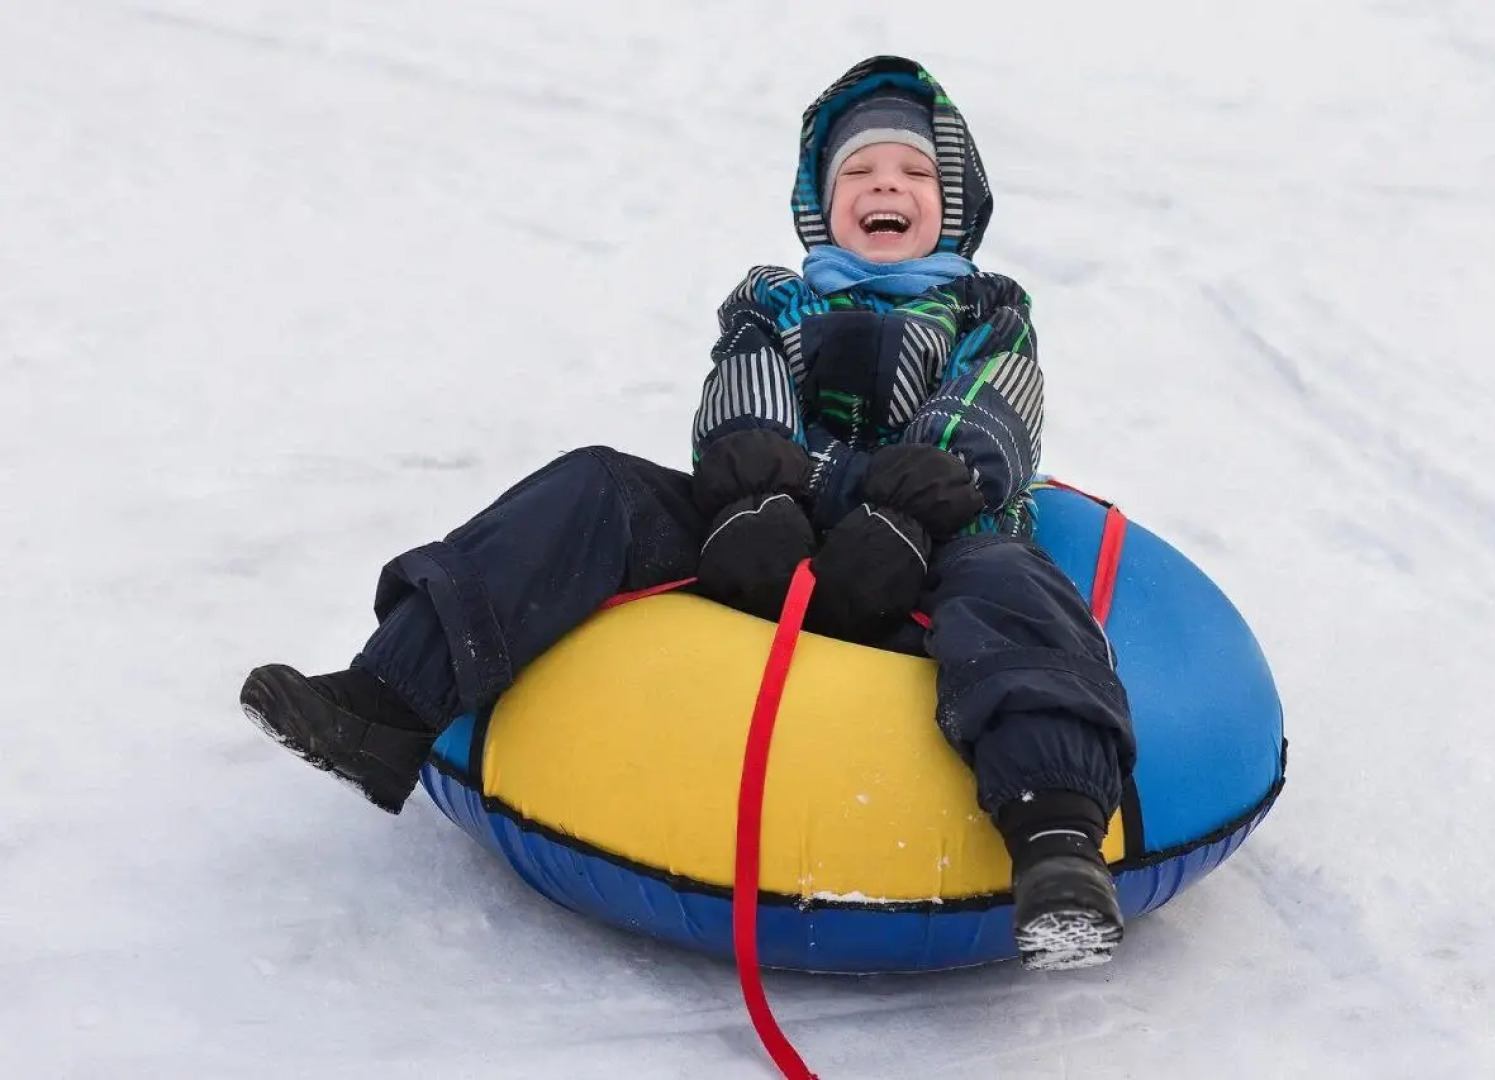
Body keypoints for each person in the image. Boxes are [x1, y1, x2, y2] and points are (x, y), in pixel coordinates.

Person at [240, 54, 1136, 971]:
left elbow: (991, 412)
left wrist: (909, 507)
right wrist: (750, 496)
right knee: (595, 486)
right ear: (820, 205)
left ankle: (1056, 844)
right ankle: (388, 702)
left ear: (951, 206)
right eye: (858, 174)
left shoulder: (988, 307)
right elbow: (741, 396)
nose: (885, 187)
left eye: (912, 174)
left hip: (936, 539)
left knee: (1015, 585)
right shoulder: (773, 301)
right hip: (766, 529)